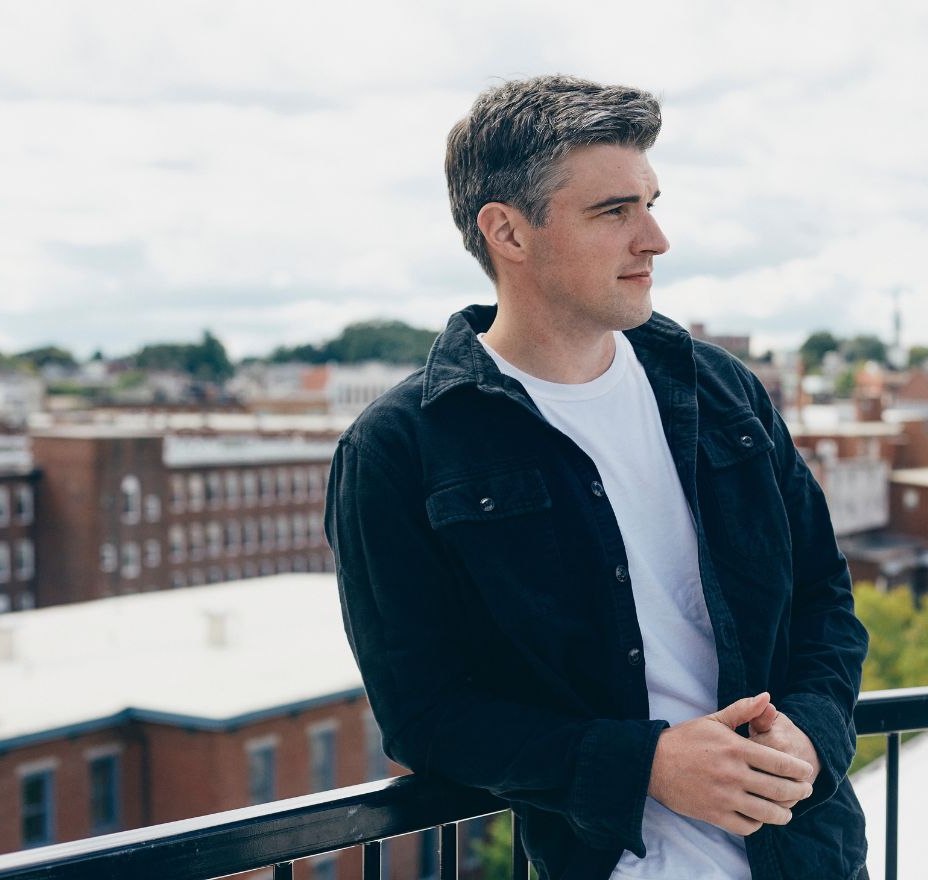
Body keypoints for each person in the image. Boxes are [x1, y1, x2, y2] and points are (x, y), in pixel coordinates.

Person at [325, 75, 870, 880]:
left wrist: (813, 731)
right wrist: (645, 764)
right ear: (508, 233)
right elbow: (426, 718)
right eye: (614, 211)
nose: (654, 238)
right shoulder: (401, 449)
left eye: (650, 202)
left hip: (809, 857)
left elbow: (824, 598)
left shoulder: (720, 392)